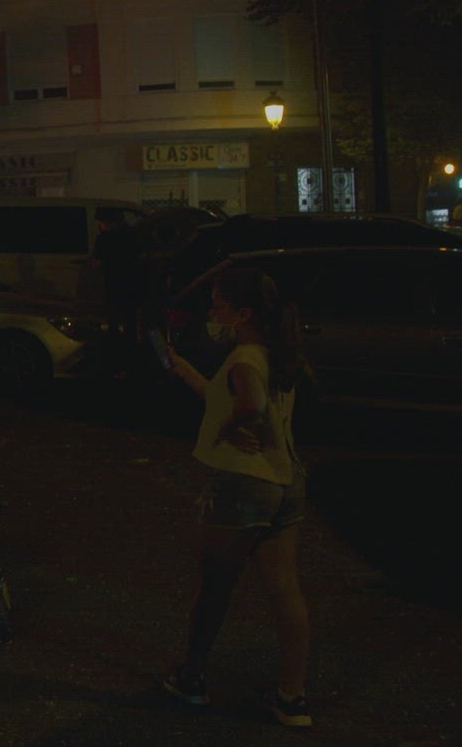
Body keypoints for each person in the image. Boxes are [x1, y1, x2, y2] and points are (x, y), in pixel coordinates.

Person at [161, 266, 312, 727]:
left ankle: (191, 679)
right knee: (285, 588)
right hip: (285, 481)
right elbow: (226, 396)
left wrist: (230, 428)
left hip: (243, 484)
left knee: (215, 588)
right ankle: (292, 698)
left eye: (219, 305)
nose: (213, 313)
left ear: (243, 313)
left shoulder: (245, 357)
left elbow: (250, 405)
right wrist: (185, 372)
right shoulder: (275, 353)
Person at [93, 208, 145, 347]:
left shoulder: (105, 238)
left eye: (102, 222)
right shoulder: (132, 235)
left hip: (114, 281)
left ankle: (115, 342)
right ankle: (129, 342)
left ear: (110, 223)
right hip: (129, 282)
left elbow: (98, 261)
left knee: (114, 314)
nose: (101, 225)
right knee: (129, 316)